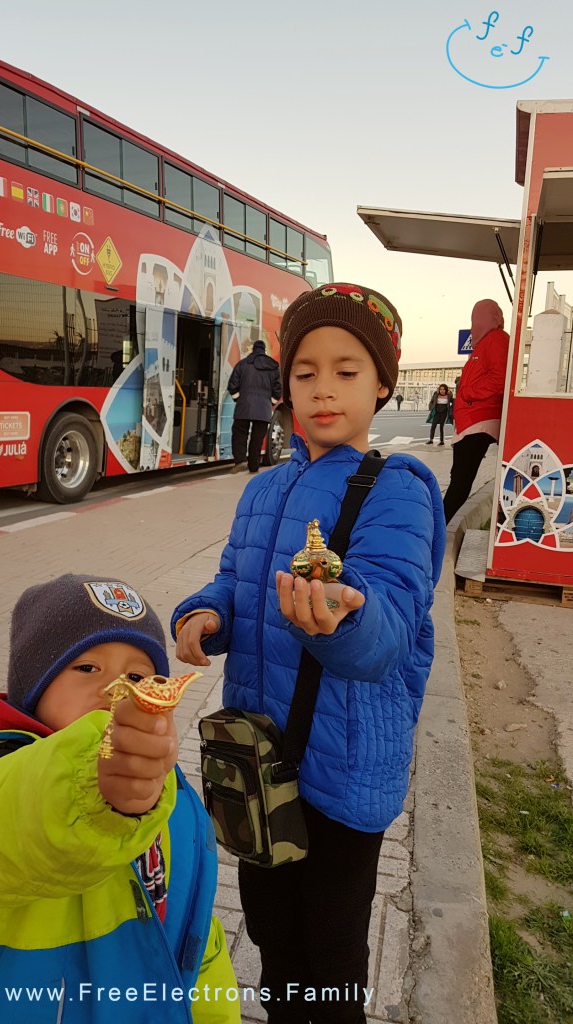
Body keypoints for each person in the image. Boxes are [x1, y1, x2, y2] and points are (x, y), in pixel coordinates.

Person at [172, 284, 446, 1024]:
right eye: (306, 372)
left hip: (342, 775)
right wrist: (205, 613)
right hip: (261, 762)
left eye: (347, 371)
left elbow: (390, 626)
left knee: (330, 953)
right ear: (285, 381)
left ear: (384, 383)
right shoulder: (261, 491)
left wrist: (344, 618)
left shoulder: (398, 491)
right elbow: (235, 579)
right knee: (270, 932)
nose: (324, 389)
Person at [0, 574, 239, 1024]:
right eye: (86, 668)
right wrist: (96, 785)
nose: (115, 690)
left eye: (137, 674)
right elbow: (17, 813)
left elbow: (195, 932)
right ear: (34, 691)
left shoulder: (169, 788)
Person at [443, 299, 510, 523]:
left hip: (479, 420)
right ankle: (437, 527)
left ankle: (436, 531)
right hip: (472, 420)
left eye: (476, 319)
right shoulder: (484, 343)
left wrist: (468, 392)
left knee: (460, 483)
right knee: (459, 480)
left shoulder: (497, 340)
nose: (473, 325)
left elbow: (498, 379)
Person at [227, 338, 282, 473]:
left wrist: (238, 399)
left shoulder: (242, 364)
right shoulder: (274, 367)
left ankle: (240, 461)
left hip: (244, 405)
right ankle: (253, 466)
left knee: (240, 434)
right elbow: (278, 390)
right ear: (264, 351)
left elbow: (232, 386)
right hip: (263, 408)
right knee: (257, 438)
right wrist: (271, 403)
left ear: (253, 350)